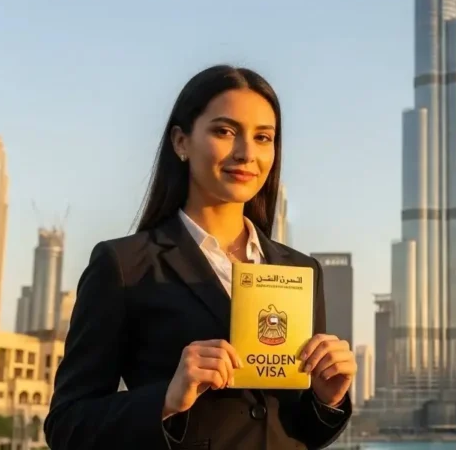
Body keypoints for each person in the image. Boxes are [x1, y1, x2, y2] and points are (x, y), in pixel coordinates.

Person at [44, 65, 356, 450]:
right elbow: (67, 426)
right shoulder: (124, 266)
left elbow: (298, 430)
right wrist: (167, 400)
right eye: (225, 132)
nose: (246, 153)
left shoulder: (301, 271)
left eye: (263, 137)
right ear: (180, 142)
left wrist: (329, 399)